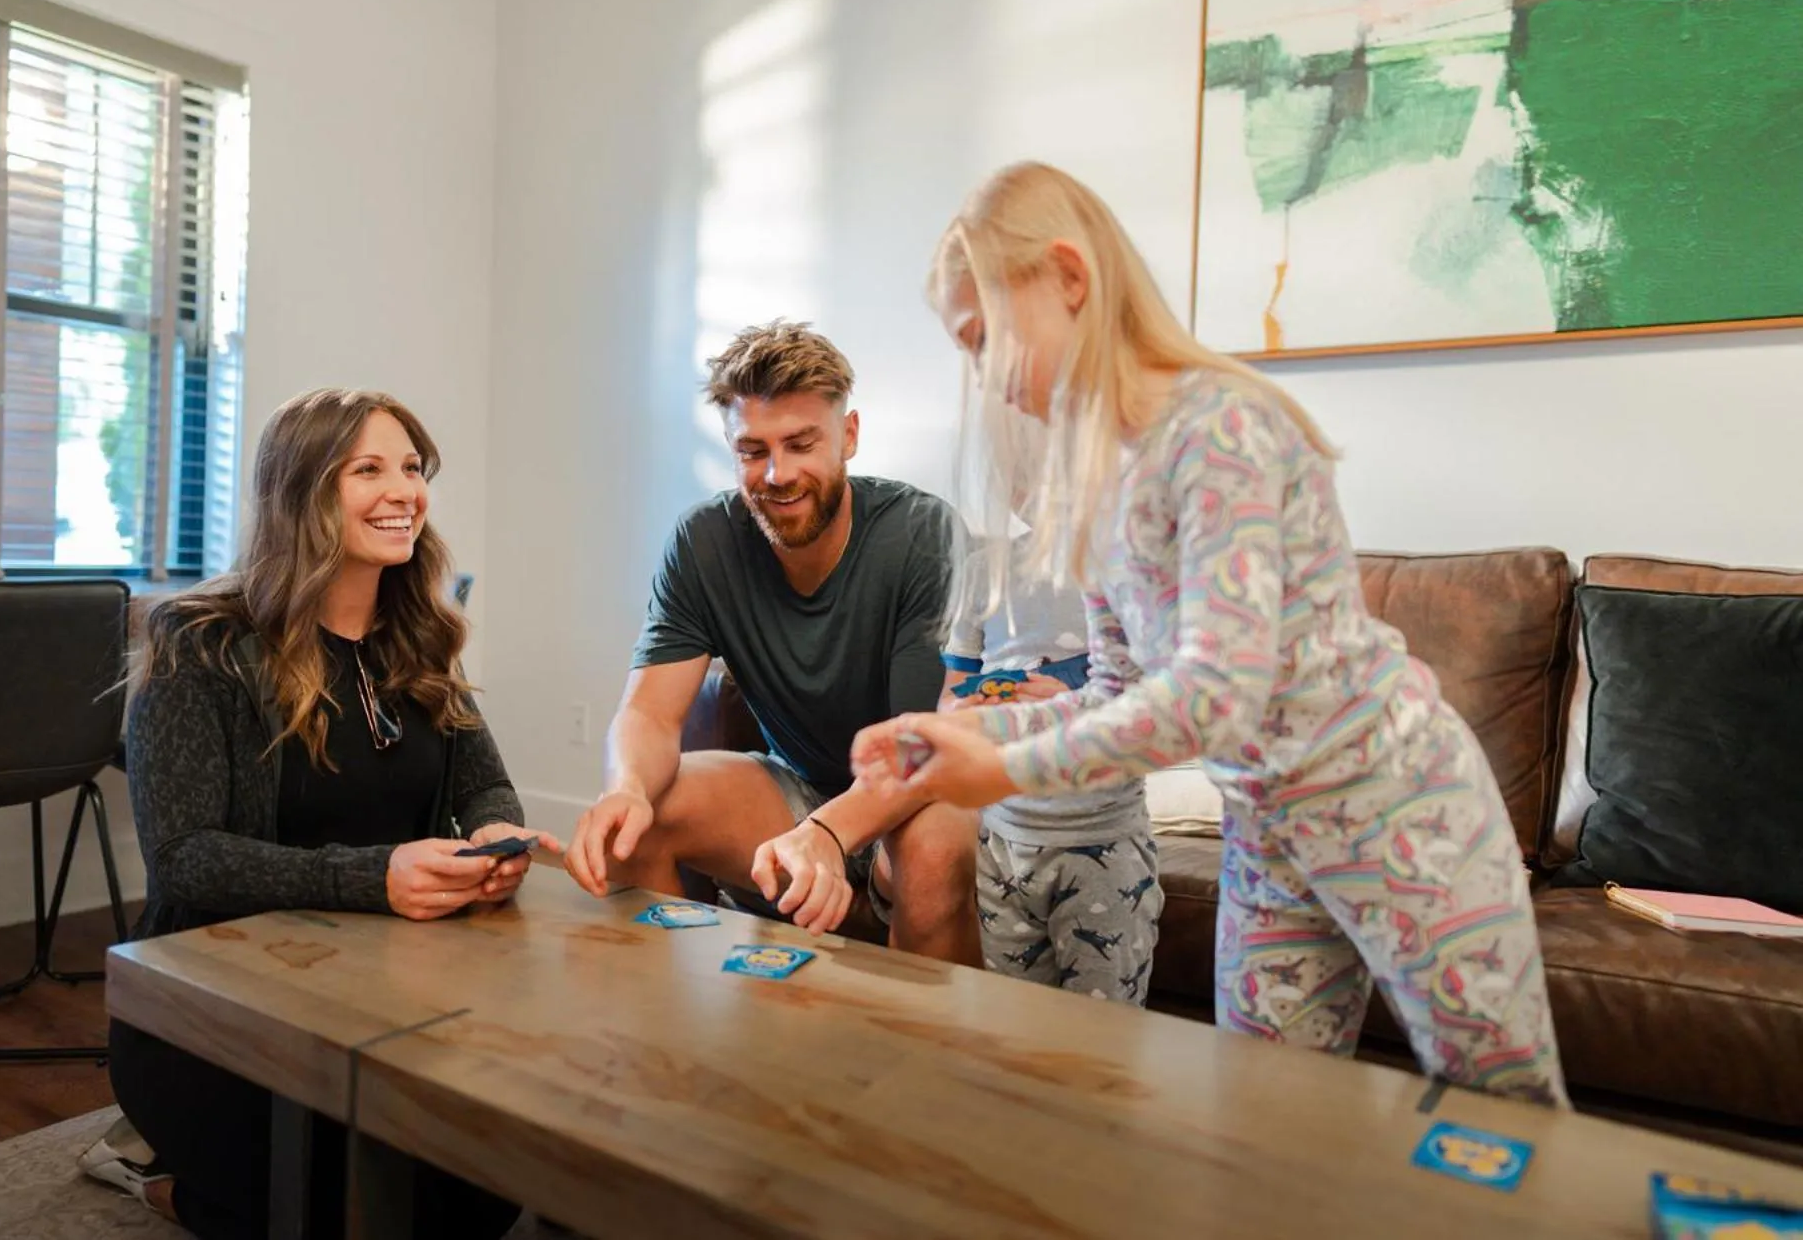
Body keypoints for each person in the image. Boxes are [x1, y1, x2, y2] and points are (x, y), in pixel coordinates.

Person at [854, 163, 1568, 1106]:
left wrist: (1006, 770)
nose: (983, 378)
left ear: (1069, 278)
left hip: (1398, 808)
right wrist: (970, 735)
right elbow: (1116, 687)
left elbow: (1214, 693)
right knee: (1264, 1114)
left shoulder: (1221, 428)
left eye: (983, 341)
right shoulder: (1100, 485)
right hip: (1269, 832)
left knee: (1509, 1114)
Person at [82, 388, 558, 1237]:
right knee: (349, 1209)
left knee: (482, 1193)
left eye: (412, 468)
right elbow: (185, 858)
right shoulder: (201, 643)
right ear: (301, 490)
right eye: (366, 468)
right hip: (219, 1007)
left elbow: (483, 783)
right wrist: (374, 875)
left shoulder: (418, 635)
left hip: (381, 991)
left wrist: (493, 833)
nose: (403, 490)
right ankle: (152, 1176)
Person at [564, 320, 980, 964]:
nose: (777, 473)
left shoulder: (922, 532)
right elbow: (649, 711)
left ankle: (926, 1062)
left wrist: (827, 834)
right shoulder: (703, 540)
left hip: (921, 791)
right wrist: (625, 788)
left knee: (926, 848)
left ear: (848, 436)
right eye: (753, 450)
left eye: (800, 443)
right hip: (801, 784)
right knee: (636, 821)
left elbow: (919, 748)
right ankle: (662, 1043)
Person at [943, 531, 1163, 1004]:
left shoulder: (1130, 567)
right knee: (1014, 1029)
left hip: (1102, 843)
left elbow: (1157, 718)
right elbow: (950, 700)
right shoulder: (984, 570)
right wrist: (968, 713)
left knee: (1104, 1041)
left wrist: (1069, 709)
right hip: (1002, 843)